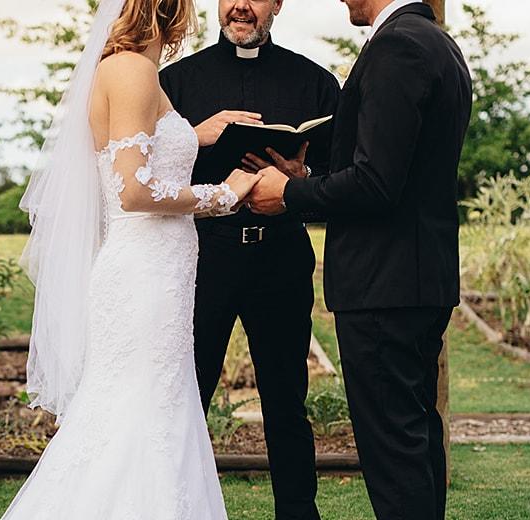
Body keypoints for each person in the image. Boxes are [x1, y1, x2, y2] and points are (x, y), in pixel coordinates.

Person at [2, 0, 260, 517]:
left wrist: (194, 134)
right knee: (141, 414)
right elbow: (133, 191)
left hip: (153, 270)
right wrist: (223, 195)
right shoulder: (133, 71)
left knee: (152, 409)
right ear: (169, 11)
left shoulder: (126, 69)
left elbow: (138, 156)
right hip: (146, 275)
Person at [246, 0, 473, 518]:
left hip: (383, 286)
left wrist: (288, 194)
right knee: (414, 441)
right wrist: (308, 180)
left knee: (392, 454)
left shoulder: (398, 46)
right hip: (418, 279)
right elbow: (400, 172)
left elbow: (376, 184)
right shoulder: (437, 43)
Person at [159, 1, 339, 516]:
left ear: (277, 4)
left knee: (287, 404)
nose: (240, 4)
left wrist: (301, 178)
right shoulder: (176, 83)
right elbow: (143, 169)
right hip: (200, 261)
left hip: (281, 259)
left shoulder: (317, 84)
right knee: (186, 400)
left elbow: (345, 178)